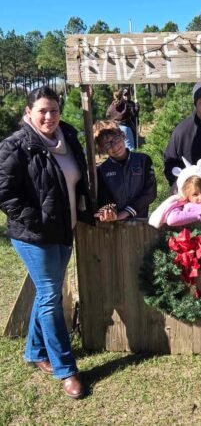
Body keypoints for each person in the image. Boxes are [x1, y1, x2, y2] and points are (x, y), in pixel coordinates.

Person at [0, 86, 92, 399]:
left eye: (53, 110)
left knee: (46, 293)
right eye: (42, 111)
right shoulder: (15, 146)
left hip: (65, 230)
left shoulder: (67, 136)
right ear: (28, 113)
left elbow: (77, 180)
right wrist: (35, 219)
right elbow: (5, 192)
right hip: (34, 236)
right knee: (52, 295)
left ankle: (34, 351)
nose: (49, 116)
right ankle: (66, 369)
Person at [93, 120, 156, 222]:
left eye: (116, 139)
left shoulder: (144, 160)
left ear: (123, 135)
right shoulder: (101, 171)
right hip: (115, 225)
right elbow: (104, 200)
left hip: (142, 223)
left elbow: (150, 193)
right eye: (107, 144)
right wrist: (109, 213)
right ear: (101, 149)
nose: (115, 146)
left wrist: (126, 212)